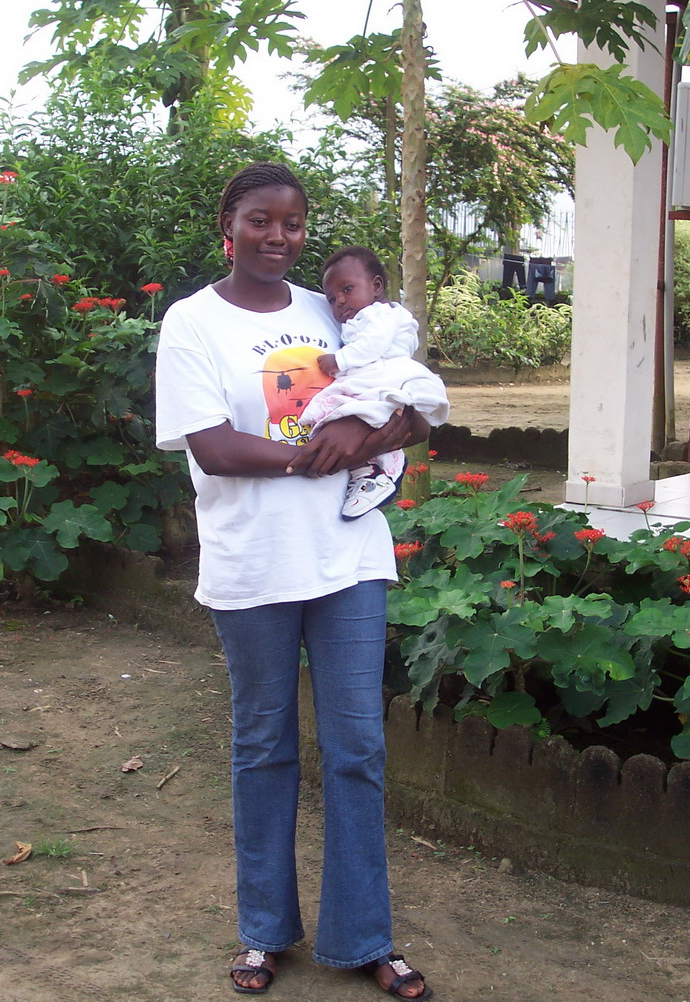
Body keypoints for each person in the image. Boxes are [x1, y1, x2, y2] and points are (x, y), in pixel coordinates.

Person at [155, 161, 435, 999]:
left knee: (358, 749)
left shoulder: (335, 307)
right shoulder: (192, 323)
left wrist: (381, 432)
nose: (278, 237)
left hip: (347, 557)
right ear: (228, 224)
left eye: (293, 223)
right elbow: (212, 446)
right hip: (252, 565)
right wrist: (322, 454)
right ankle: (264, 932)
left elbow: (412, 412)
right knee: (264, 747)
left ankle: (365, 937)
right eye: (261, 221)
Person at [299, 246, 449, 519]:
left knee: (359, 410)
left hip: (387, 372)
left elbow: (373, 344)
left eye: (347, 289)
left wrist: (340, 360)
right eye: (332, 299)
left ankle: (384, 470)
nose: (339, 302)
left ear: (376, 286)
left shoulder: (383, 314)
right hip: (374, 373)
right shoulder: (359, 318)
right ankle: (368, 473)